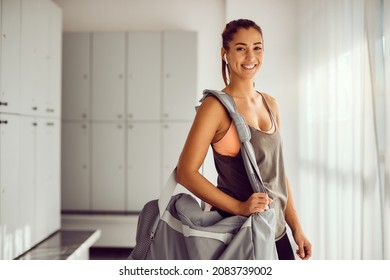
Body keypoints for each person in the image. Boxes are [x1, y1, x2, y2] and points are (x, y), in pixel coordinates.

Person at [176, 19, 312, 260]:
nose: (251, 56)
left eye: (257, 47)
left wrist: (296, 229)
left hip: (276, 231)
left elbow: (278, 174)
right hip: (241, 234)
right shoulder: (215, 107)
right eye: (241, 48)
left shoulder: (270, 103)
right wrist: (239, 207)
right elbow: (186, 173)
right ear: (225, 53)